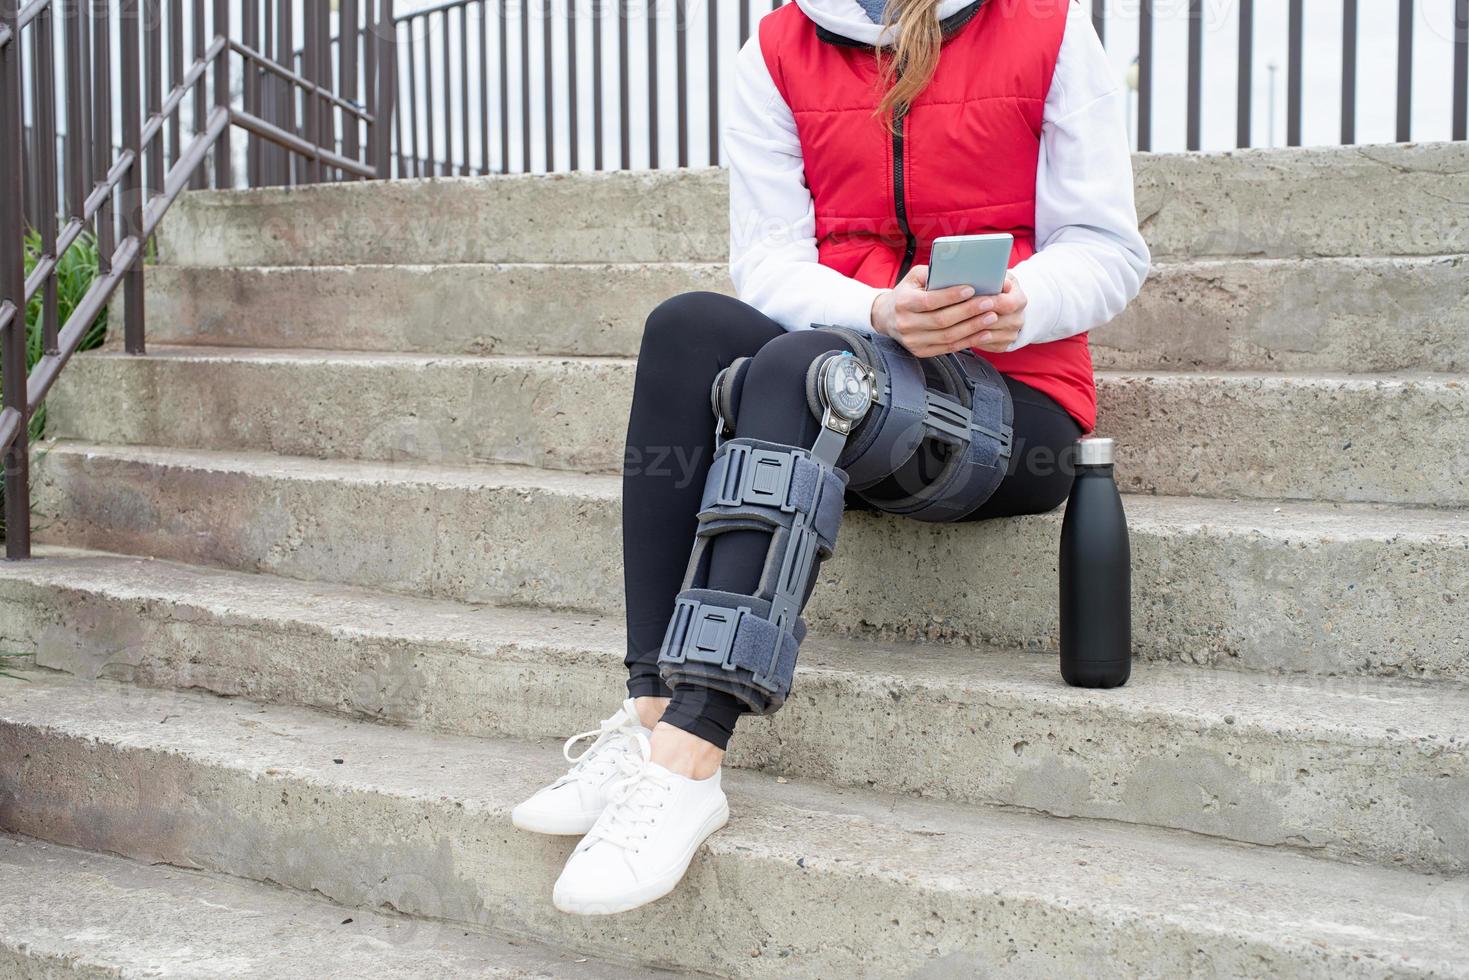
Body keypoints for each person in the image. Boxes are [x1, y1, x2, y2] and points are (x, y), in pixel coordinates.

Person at [512, 0, 1149, 915]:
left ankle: (693, 754)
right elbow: (767, 260)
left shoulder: (1045, 27)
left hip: (1016, 413)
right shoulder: (777, 47)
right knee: (686, 328)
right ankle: (651, 711)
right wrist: (882, 311)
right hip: (855, 382)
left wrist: (1020, 300)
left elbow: (1107, 250)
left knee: (803, 365)